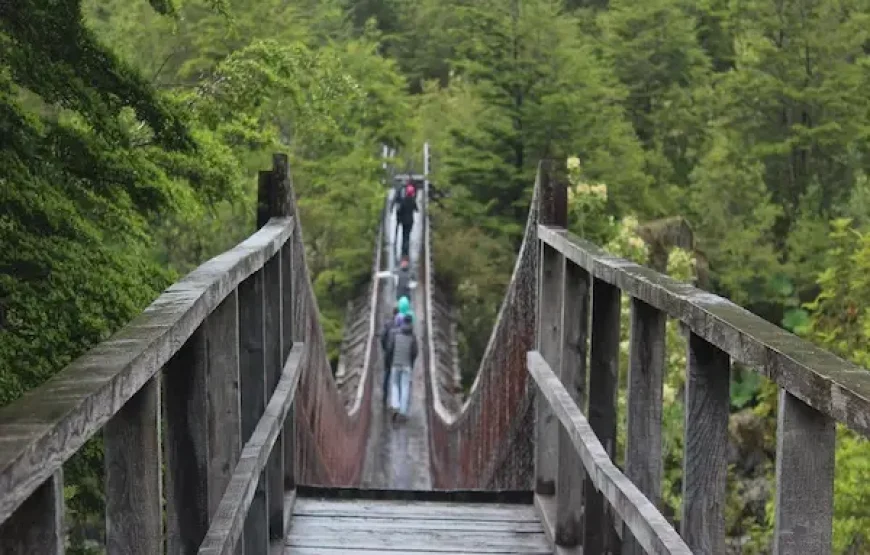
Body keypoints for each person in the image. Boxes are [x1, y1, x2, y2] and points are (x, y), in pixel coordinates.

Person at [385, 313, 418, 420]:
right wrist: (411, 362)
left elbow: (390, 348)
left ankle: (395, 405)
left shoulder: (395, 334)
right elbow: (415, 352)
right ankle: (403, 412)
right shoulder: (413, 336)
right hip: (407, 365)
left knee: (394, 384)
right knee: (405, 387)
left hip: (395, 363)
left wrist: (389, 362)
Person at [380, 307, 399, 405]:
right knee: (397, 377)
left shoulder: (388, 324)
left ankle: (385, 395)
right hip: (398, 355)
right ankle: (396, 401)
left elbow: (382, 338)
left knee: (387, 374)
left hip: (388, 354)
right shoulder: (401, 325)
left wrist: (385, 348)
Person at [396, 181, 418, 258]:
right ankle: (406, 249)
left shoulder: (403, 201)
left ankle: (404, 250)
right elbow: (417, 210)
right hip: (410, 221)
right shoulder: (413, 201)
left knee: (404, 234)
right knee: (408, 235)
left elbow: (399, 210)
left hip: (404, 221)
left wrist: (399, 217)